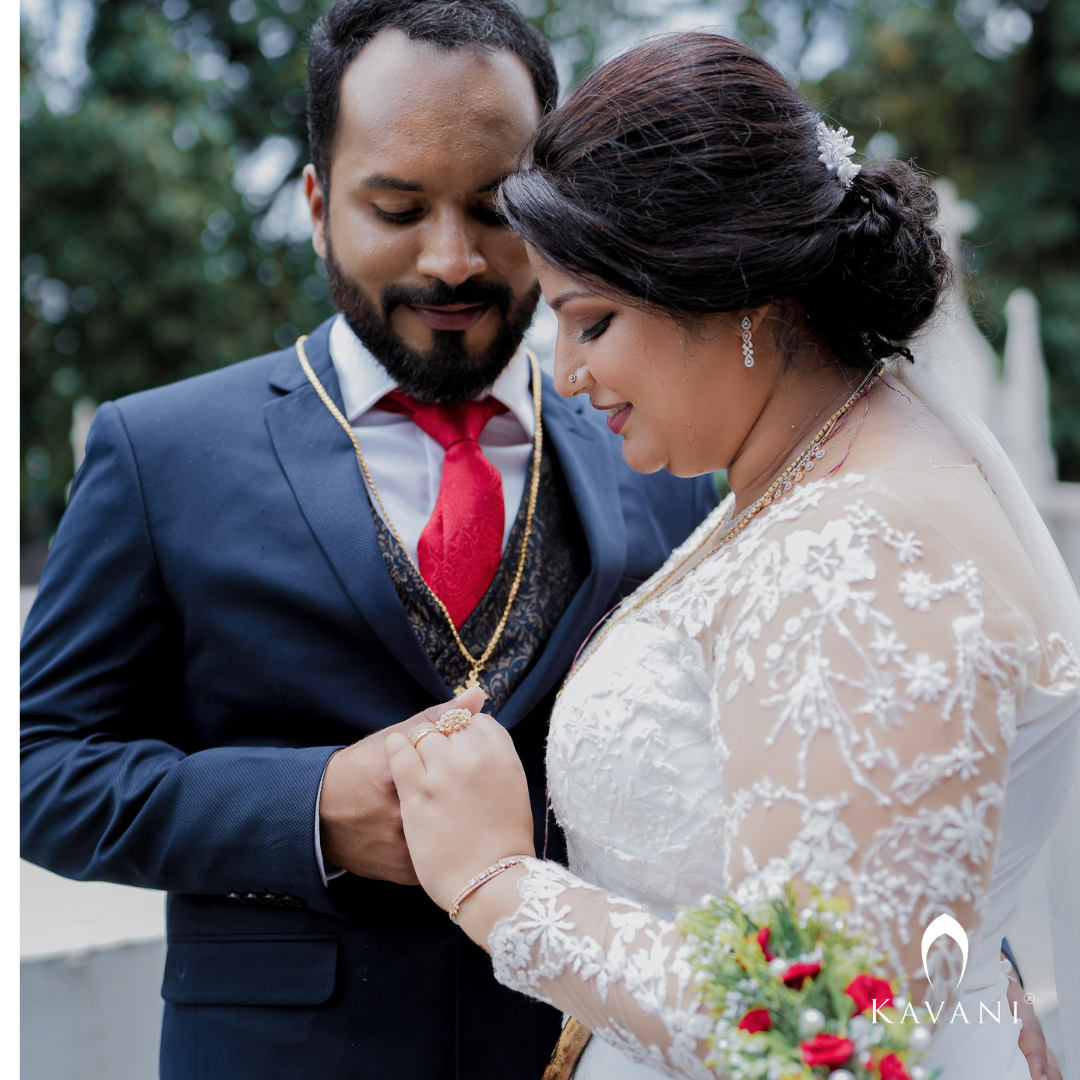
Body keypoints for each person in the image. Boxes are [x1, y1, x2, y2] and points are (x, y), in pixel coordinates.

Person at [18, 5, 718, 1079]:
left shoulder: (659, 460)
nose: (450, 261)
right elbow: (45, 772)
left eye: (494, 211)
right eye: (397, 207)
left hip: (585, 1053)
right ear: (314, 205)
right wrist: (309, 813)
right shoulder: (160, 452)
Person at [382, 33, 1080, 1080]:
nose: (565, 375)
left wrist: (497, 886)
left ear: (738, 291)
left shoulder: (861, 547)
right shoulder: (814, 468)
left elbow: (827, 1031)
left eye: (592, 322)